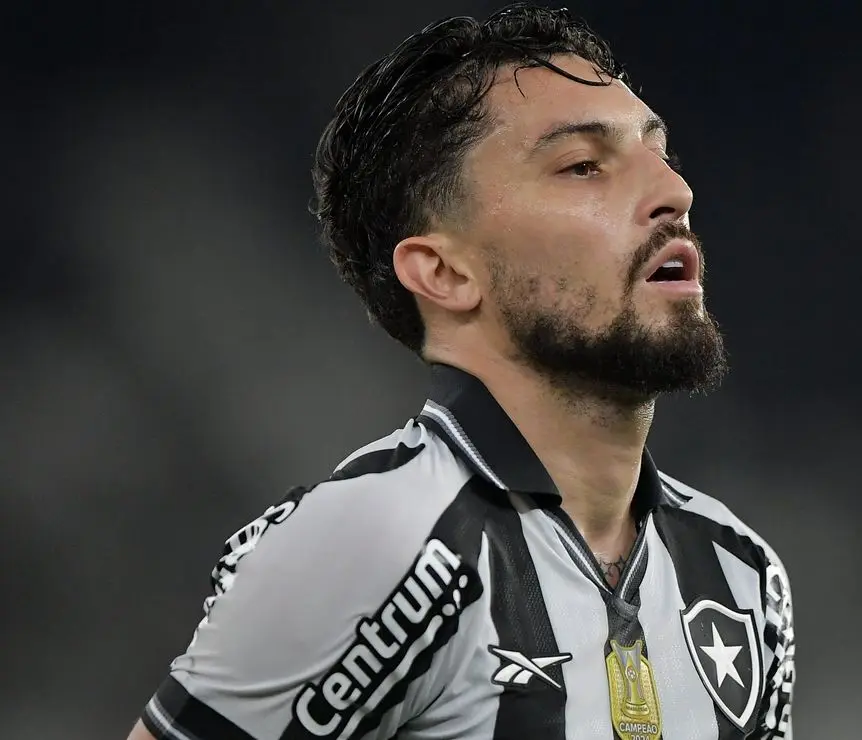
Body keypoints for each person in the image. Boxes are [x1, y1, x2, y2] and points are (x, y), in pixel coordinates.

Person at [127, 4, 794, 739]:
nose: (675, 194)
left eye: (661, 154)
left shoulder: (739, 571)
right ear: (444, 273)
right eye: (583, 166)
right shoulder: (373, 543)